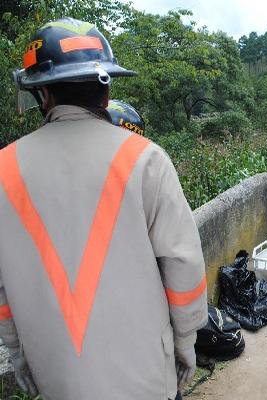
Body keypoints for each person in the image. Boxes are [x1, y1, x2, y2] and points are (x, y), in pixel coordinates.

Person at [2, 18, 207, 400]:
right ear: (106, 86)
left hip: (57, 378)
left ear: (42, 94)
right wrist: (184, 341)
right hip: (145, 377)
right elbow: (184, 264)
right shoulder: (145, 158)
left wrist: (19, 355)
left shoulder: (3, 169)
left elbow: (3, 293)